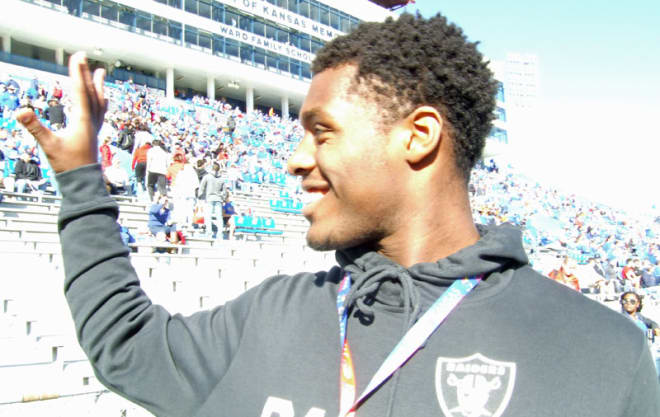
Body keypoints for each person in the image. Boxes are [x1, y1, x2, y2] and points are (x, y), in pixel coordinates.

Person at [16, 14, 659, 417]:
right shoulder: (272, 316)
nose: (296, 161)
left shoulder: (602, 354)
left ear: (418, 136)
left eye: (322, 132)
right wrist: (80, 180)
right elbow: (126, 346)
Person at [198, 161, 227, 239]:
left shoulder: (207, 176)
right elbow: (224, 191)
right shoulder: (222, 179)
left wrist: (199, 195)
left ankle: (209, 233)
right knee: (219, 217)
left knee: (208, 216)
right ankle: (220, 234)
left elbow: (202, 187)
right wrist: (223, 198)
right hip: (219, 199)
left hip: (210, 198)